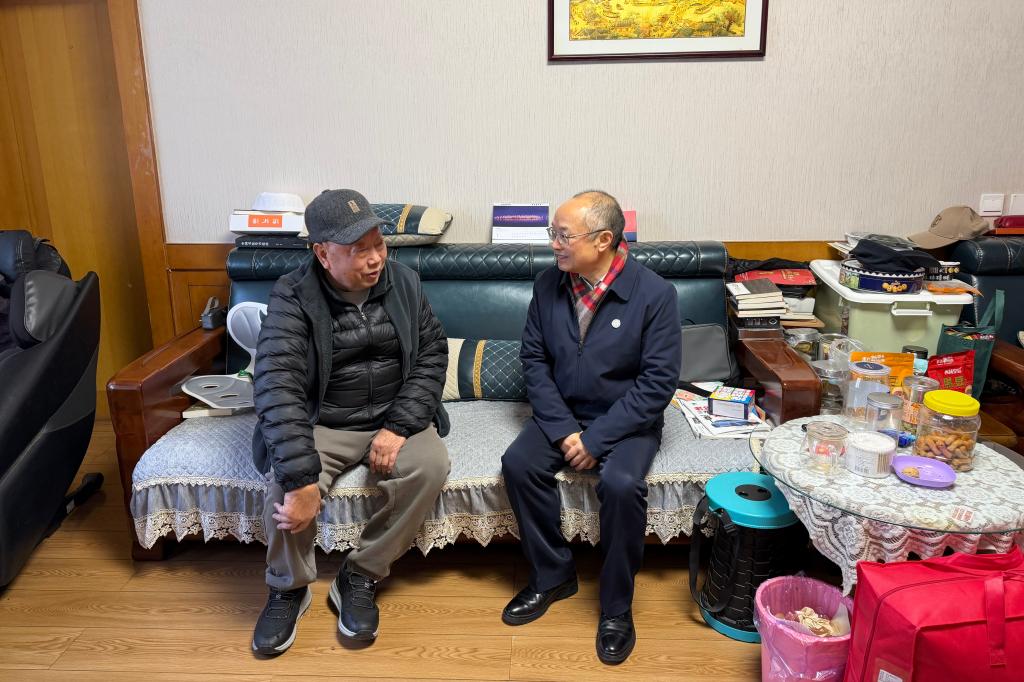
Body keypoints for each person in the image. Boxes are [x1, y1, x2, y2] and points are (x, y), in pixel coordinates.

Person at [250, 189, 450, 655]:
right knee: (286, 489)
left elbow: (432, 355)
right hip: (325, 420)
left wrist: (399, 426)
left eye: (379, 244)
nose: (376, 258)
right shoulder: (293, 295)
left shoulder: (404, 282)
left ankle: (360, 574)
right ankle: (288, 587)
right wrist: (302, 480)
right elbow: (277, 386)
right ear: (323, 254)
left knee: (430, 466)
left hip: (394, 415)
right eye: (360, 250)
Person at [500, 190, 681, 665]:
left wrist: (597, 439)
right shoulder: (549, 284)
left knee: (621, 484)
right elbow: (534, 361)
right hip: (562, 412)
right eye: (553, 233)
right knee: (518, 464)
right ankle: (552, 575)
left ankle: (617, 607)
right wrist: (565, 431)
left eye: (563, 235)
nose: (554, 244)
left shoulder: (655, 294)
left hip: (627, 419)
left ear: (603, 240)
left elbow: (657, 384)